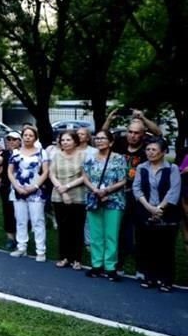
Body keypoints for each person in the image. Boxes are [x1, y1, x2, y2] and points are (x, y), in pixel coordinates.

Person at [103, 109, 160, 275]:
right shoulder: (120, 143)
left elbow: (159, 133)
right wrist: (109, 120)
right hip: (121, 194)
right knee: (120, 231)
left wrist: (142, 117)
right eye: (130, 132)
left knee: (142, 232)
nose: (132, 136)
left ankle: (141, 268)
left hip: (141, 196)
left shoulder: (147, 146)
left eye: (136, 133)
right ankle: (119, 265)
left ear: (143, 134)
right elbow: (103, 135)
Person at [133, 137, 182, 292]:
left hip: (167, 215)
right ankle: (150, 277)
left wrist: (159, 208)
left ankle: (166, 280)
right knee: (148, 247)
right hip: (146, 212)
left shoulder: (172, 168)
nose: (150, 152)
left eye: (154, 150)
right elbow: (137, 188)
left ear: (163, 152)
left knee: (166, 248)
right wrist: (149, 208)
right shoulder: (142, 167)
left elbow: (174, 190)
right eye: (148, 149)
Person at [82, 129, 127, 281]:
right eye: (97, 138)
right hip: (94, 199)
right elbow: (85, 177)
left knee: (111, 235)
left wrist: (107, 190)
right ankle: (96, 265)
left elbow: (123, 180)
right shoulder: (90, 158)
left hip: (114, 200)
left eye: (103, 138)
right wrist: (95, 190)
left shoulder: (119, 159)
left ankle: (110, 267)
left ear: (111, 142)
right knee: (96, 235)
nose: (99, 141)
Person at [8, 125, 50, 261]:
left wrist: (35, 186)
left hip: (35, 192)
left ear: (35, 138)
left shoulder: (42, 152)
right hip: (18, 190)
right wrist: (16, 186)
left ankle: (40, 250)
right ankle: (21, 247)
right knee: (20, 220)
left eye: (30, 135)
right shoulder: (15, 152)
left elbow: (45, 172)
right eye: (25, 135)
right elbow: (10, 171)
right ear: (22, 137)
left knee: (37, 220)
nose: (27, 137)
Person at [49, 130, 87, 270]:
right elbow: (52, 174)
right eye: (63, 140)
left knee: (77, 229)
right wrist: (61, 188)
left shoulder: (83, 156)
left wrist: (68, 186)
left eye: (68, 140)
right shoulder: (57, 156)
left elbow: (85, 176)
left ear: (76, 141)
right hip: (59, 195)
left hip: (77, 196)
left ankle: (77, 258)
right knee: (63, 228)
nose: (65, 142)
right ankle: (64, 257)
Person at [0, 132, 21, 250]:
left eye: (14, 139)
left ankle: (20, 238)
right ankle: (10, 237)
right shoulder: (5, 153)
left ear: (19, 141)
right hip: (6, 186)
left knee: (20, 213)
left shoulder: (23, 153)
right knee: (8, 212)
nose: (11, 141)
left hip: (20, 186)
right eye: (9, 139)